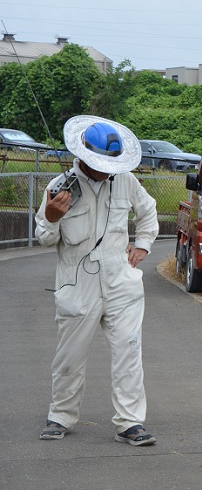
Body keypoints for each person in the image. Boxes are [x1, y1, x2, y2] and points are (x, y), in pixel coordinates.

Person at [35, 115, 159, 446]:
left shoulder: (126, 181)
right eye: (100, 162)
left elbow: (148, 212)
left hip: (122, 284)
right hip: (77, 286)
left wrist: (143, 245)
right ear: (84, 153)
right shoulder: (58, 188)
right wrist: (51, 218)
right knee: (70, 356)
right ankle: (60, 415)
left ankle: (130, 423)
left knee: (129, 355)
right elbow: (44, 238)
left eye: (111, 163)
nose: (106, 169)